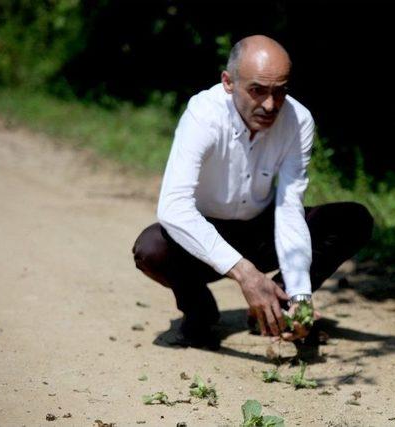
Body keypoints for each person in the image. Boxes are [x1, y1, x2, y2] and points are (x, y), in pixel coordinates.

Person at [132, 35, 373, 350]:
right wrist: (245, 273)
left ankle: (279, 305)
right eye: (257, 90)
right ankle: (199, 312)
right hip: (204, 237)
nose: (270, 104)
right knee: (151, 247)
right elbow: (173, 207)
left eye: (280, 91)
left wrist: (300, 294)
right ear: (228, 82)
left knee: (352, 218)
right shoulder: (203, 115)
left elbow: (289, 207)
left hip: (261, 228)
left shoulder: (298, 120)